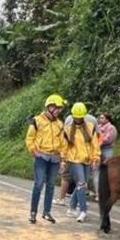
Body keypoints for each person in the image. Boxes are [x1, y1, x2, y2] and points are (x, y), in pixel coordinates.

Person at [25, 94, 66, 224]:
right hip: (41, 156)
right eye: (57, 108)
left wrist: (63, 160)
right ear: (49, 107)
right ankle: (33, 212)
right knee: (38, 184)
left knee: (51, 186)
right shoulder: (37, 120)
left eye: (60, 108)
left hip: (55, 158)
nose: (59, 111)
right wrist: (34, 151)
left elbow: (63, 143)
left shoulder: (60, 124)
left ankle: (47, 212)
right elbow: (30, 138)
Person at [62, 102, 101, 223]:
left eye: (80, 117)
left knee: (82, 184)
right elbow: (64, 146)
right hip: (74, 160)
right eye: (76, 117)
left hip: (88, 160)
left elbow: (95, 144)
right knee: (82, 184)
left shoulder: (90, 126)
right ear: (73, 116)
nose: (78, 119)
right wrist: (63, 161)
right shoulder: (68, 129)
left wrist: (95, 158)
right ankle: (83, 211)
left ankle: (72, 207)